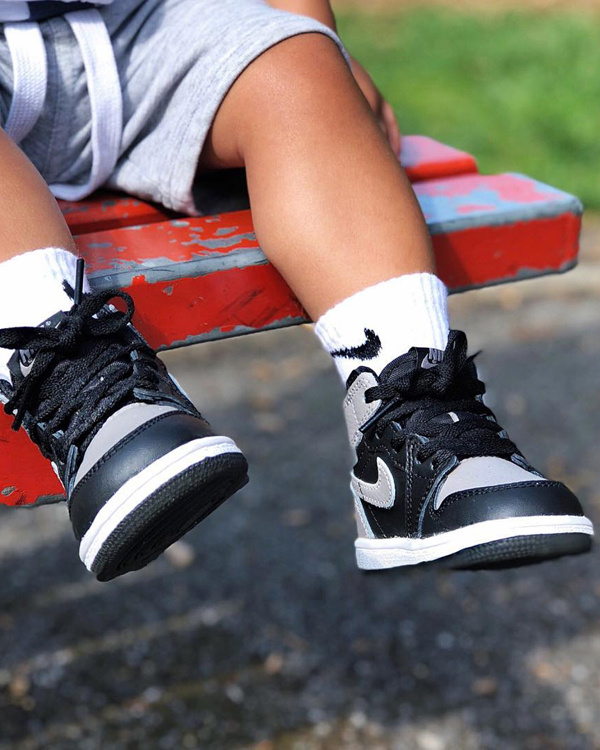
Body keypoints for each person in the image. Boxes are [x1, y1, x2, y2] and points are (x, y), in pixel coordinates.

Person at [0, 0, 592, 582]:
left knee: (295, 64)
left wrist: (318, 55)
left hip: (139, 26)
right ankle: (79, 388)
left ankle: (413, 424)